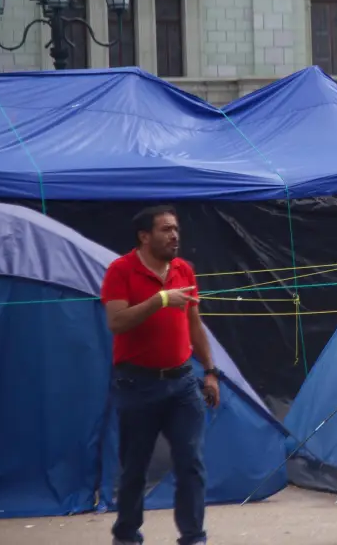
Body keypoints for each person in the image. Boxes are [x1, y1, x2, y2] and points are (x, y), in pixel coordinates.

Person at [100, 205, 221, 545]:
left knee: (191, 463)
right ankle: (127, 535)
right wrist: (160, 300)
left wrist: (210, 371)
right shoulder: (120, 270)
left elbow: (194, 324)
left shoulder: (184, 269)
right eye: (166, 229)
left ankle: (193, 537)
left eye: (176, 229)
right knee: (135, 467)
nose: (174, 236)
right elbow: (116, 322)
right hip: (137, 384)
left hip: (182, 383)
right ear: (144, 236)